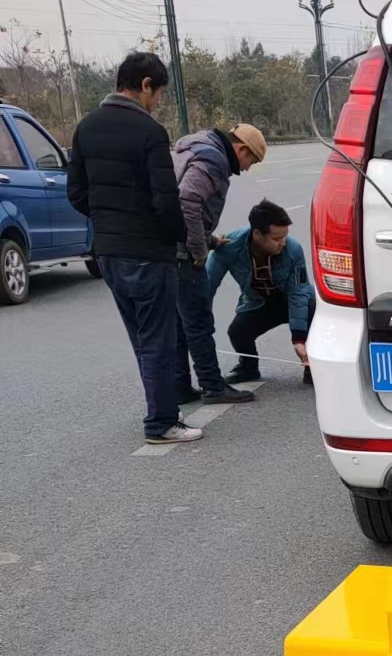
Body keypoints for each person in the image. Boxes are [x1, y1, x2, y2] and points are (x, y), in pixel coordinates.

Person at [66, 51, 203, 444]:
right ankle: (161, 422)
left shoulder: (86, 127)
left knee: (142, 340)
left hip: (109, 252)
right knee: (159, 339)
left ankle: (161, 410)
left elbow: (76, 192)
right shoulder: (149, 131)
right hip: (148, 253)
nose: (158, 101)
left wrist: (109, 220)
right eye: (158, 93)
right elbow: (167, 201)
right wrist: (176, 239)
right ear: (145, 85)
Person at [172, 121, 267, 401]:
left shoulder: (197, 146)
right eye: (251, 161)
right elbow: (188, 201)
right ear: (241, 149)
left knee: (178, 324)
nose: (247, 168)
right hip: (183, 254)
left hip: (169, 248)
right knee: (198, 321)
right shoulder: (214, 160)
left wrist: (212, 240)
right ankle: (213, 385)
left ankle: (179, 386)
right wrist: (199, 250)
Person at [206, 199, 316, 392]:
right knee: (237, 332)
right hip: (258, 303)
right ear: (257, 234)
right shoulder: (229, 247)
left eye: (285, 236)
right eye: (276, 238)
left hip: (288, 300)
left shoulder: (293, 249)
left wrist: (299, 339)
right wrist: (199, 319)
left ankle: (312, 366)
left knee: (312, 307)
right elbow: (207, 284)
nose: (283, 242)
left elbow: (298, 292)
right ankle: (248, 368)